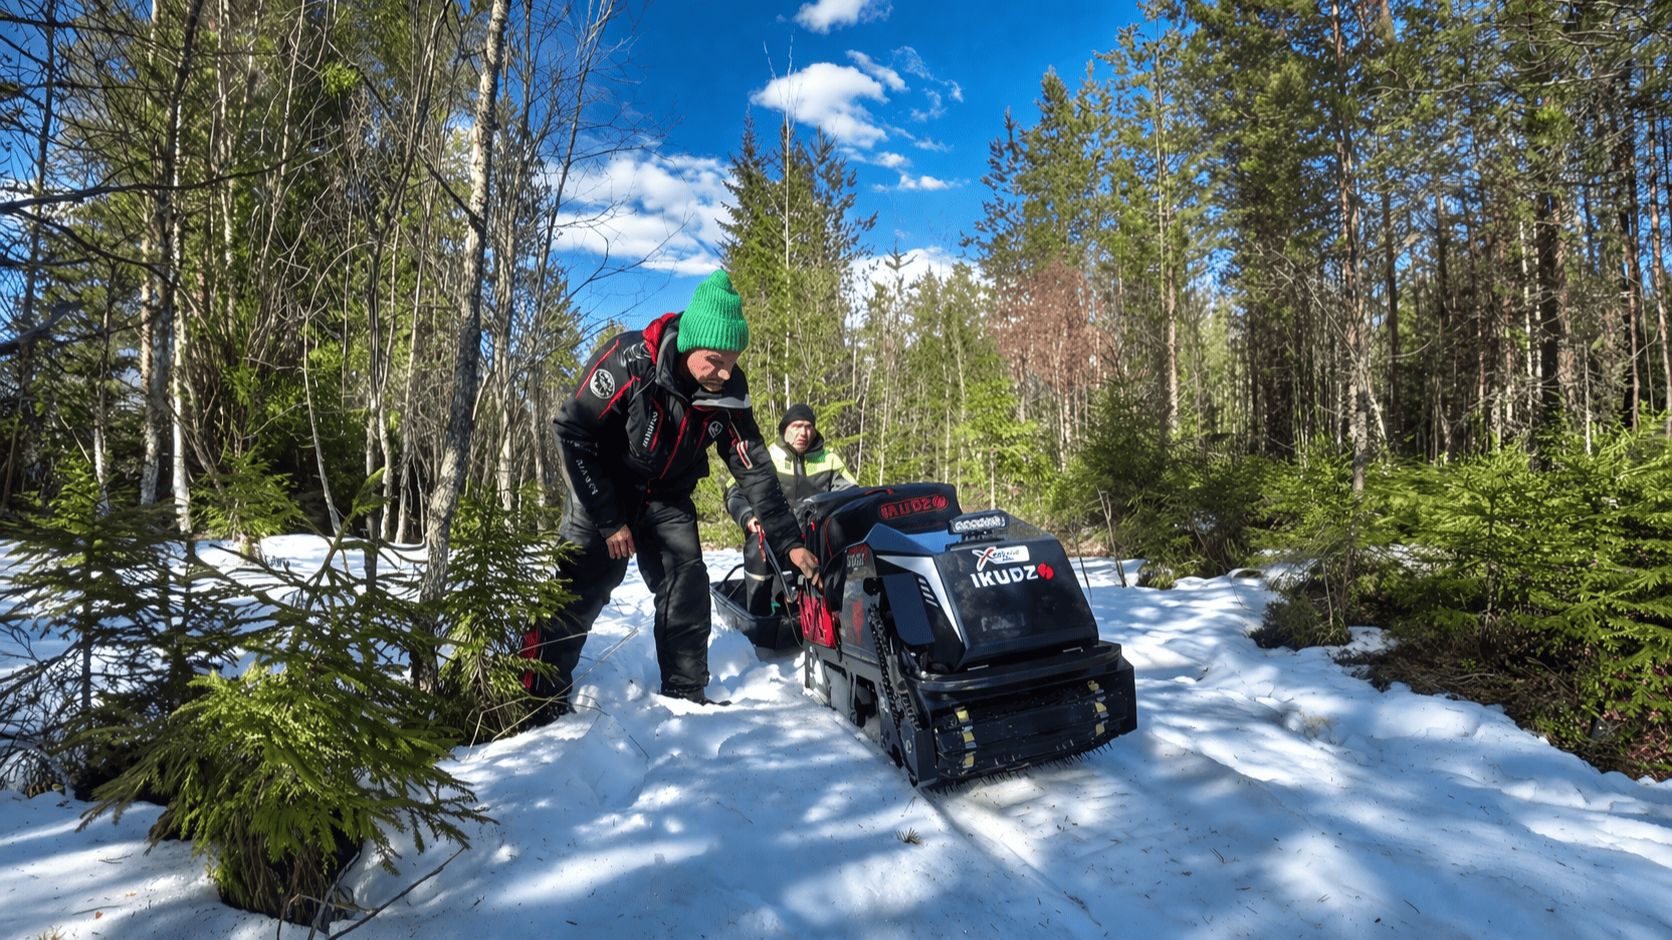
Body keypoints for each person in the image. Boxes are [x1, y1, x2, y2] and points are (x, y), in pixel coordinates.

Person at [521, 270, 819, 723]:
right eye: (714, 359)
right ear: (689, 344)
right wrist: (607, 518)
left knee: (687, 582)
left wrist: (790, 542)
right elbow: (572, 430)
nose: (723, 372)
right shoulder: (629, 361)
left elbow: (755, 471)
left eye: (732, 360)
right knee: (581, 586)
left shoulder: (730, 394)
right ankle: (535, 698)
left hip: (666, 495)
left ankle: (685, 696)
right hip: (603, 486)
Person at [724, 403, 857, 615]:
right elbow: (734, 492)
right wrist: (748, 517)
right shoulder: (766, 458)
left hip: (815, 541)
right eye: (796, 426)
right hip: (773, 539)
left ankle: (834, 613)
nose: (803, 432)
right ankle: (758, 616)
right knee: (756, 545)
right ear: (784, 429)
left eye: (808, 427)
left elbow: (854, 497)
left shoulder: (828, 460)